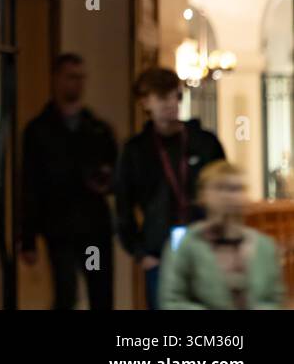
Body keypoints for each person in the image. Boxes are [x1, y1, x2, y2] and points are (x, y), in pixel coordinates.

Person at [115, 67, 226, 309]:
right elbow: (123, 205)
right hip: (159, 251)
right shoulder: (136, 150)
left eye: (175, 96)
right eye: (162, 97)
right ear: (146, 102)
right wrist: (140, 253)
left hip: (204, 247)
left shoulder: (204, 142)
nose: (171, 104)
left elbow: (223, 190)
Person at [21, 53, 119, 309]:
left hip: (94, 225)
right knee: (65, 295)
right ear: (57, 79)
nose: (77, 83)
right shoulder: (39, 130)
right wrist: (27, 237)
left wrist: (105, 181)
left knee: (100, 293)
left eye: (81, 78)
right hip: (59, 225)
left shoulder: (98, 129)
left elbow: (117, 174)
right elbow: (29, 184)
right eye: (71, 77)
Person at [159, 161, 286, 309]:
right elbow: (172, 301)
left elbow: (275, 299)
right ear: (203, 195)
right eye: (220, 188)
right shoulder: (185, 244)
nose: (229, 196)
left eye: (237, 189)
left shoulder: (264, 246)